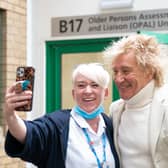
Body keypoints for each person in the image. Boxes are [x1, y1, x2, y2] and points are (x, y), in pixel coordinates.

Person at [4, 63, 120, 168]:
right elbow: (30, 133)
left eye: (95, 85)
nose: (87, 91)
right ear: (73, 93)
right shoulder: (57, 123)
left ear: (106, 93)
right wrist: (10, 116)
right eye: (81, 85)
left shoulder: (110, 125)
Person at [103, 34, 168, 168]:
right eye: (115, 71)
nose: (118, 79)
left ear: (149, 71)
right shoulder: (115, 109)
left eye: (126, 71)